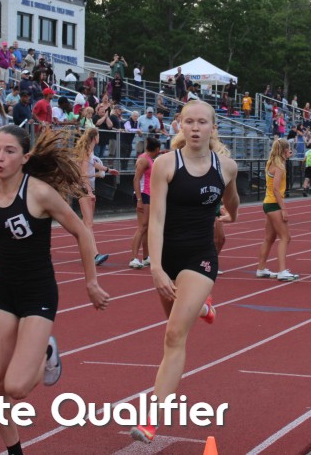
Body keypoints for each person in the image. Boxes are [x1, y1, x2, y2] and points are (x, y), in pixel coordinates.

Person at [0, 126, 109, 454]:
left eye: (9, 151)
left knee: (16, 388)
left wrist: (91, 282)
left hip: (38, 293)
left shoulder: (40, 193)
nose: (0, 158)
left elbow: (82, 232)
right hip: (4, 291)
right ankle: (15, 451)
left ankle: (46, 352)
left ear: (25, 157)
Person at [130, 99, 239, 444]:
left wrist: (231, 214)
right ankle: (203, 308)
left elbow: (233, 201)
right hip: (167, 257)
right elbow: (156, 220)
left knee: (174, 335)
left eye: (202, 122)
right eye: (189, 121)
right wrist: (156, 268)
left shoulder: (226, 167)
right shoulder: (165, 164)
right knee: (174, 327)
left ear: (213, 128)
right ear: (180, 125)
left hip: (200, 258)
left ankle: (152, 418)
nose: (195, 128)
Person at [254, 138, 298, 281]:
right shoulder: (279, 166)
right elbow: (276, 189)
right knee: (286, 237)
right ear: (285, 150)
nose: (290, 151)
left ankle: (261, 268)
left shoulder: (271, 162)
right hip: (274, 204)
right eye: (288, 148)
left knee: (269, 238)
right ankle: (282, 271)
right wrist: (283, 209)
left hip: (268, 203)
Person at [73, 128, 118, 265]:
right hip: (84, 189)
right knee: (88, 224)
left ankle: (87, 252)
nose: (99, 138)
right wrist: (89, 191)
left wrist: (108, 169)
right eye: (98, 135)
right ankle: (94, 254)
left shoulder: (89, 151)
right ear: (94, 137)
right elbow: (83, 174)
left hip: (88, 188)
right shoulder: (86, 152)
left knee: (87, 224)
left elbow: (94, 163)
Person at [129, 138, 161, 269]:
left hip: (148, 195)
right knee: (142, 227)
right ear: (157, 149)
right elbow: (136, 179)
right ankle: (134, 258)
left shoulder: (149, 159)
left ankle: (146, 257)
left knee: (146, 227)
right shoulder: (143, 160)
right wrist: (139, 200)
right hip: (143, 195)